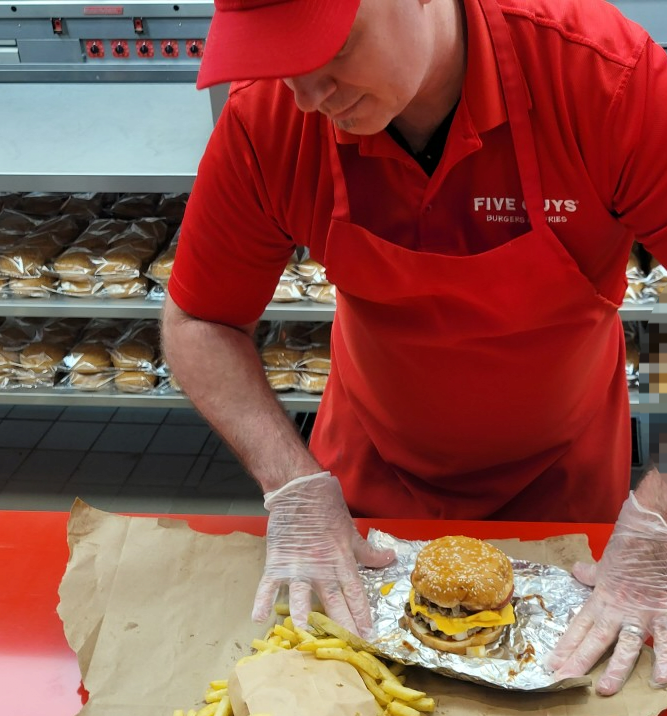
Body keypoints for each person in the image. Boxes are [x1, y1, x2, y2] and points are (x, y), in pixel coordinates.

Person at [161, 0, 667, 696]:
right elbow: (199, 321)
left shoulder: (602, 79)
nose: (307, 94)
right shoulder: (270, 119)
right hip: (365, 490)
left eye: (330, 46)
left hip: (564, 485)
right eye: (277, 60)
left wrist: (657, 521)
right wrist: (290, 484)